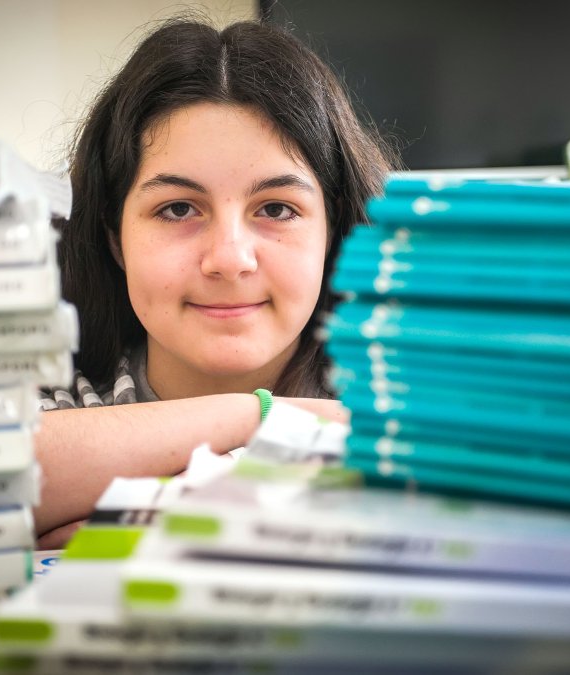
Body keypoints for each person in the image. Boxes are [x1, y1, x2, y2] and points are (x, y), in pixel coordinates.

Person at [33, 17, 398, 548]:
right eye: (178, 208)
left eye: (276, 208)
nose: (230, 259)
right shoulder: (43, 391)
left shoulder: (406, 398)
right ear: (115, 236)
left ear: (332, 233)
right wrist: (259, 414)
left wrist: (132, 521)